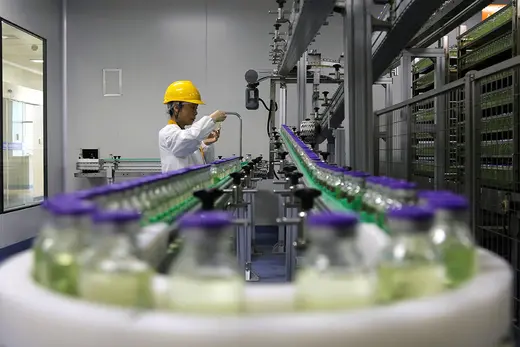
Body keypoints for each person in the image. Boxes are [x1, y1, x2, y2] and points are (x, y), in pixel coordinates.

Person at [159, 80, 227, 173]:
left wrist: (205, 144)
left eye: (196, 108)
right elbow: (186, 141)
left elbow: (198, 161)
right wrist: (211, 119)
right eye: (192, 107)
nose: (196, 112)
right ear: (176, 107)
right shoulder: (167, 133)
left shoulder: (185, 137)